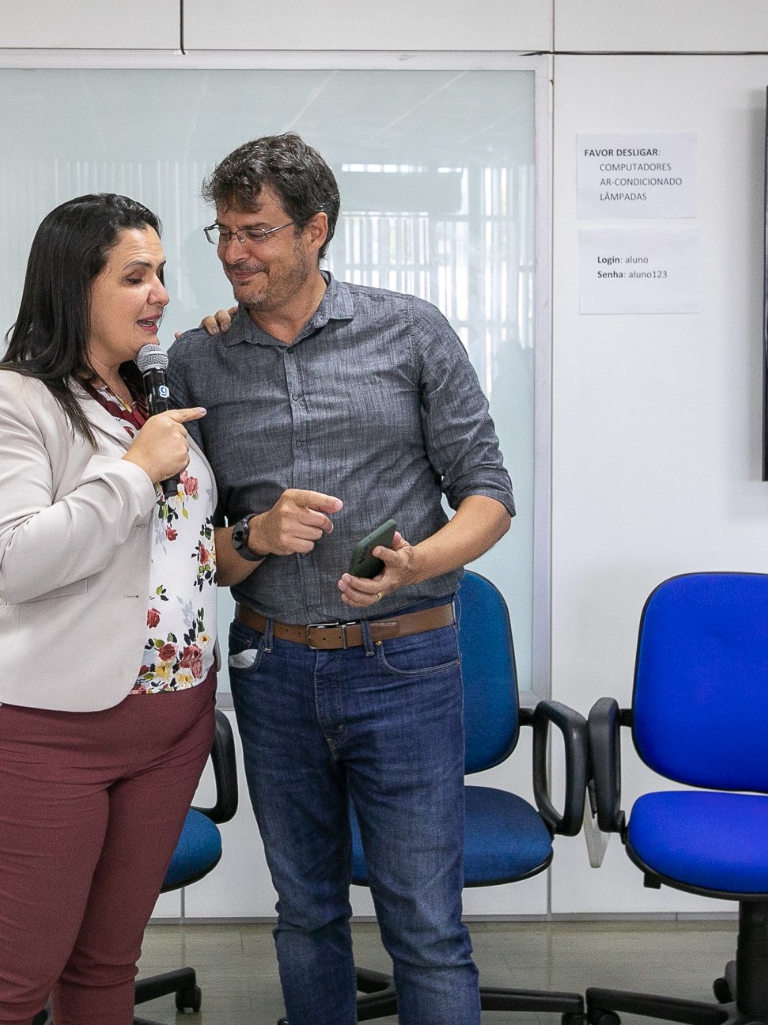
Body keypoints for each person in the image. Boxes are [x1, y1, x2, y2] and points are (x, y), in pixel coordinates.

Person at [169, 133, 515, 1025]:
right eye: (223, 232)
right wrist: (255, 533)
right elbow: (193, 555)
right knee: (306, 914)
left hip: (405, 666)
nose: (234, 253)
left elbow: (489, 496)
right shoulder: (198, 359)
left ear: (315, 229)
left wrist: (420, 563)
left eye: (257, 232)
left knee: (426, 925)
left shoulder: (410, 330)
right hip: (272, 665)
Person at [0, 193, 217, 1025]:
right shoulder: (7, 400)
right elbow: (13, 560)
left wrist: (254, 538)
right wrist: (133, 472)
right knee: (15, 977)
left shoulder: (146, 399)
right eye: (136, 276)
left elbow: (167, 554)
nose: (161, 292)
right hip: (34, 731)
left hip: (169, 727)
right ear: (72, 286)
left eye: (162, 272)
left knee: (104, 968)